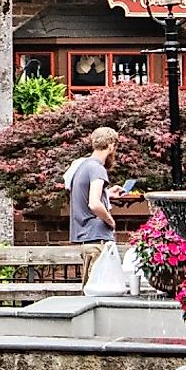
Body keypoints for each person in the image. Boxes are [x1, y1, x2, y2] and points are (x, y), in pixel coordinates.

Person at [66, 125, 131, 296]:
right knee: (98, 296)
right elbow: (94, 204)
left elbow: (86, 195)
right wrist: (110, 221)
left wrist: (108, 193)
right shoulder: (97, 169)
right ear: (110, 146)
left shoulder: (83, 166)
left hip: (87, 239)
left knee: (89, 292)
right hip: (97, 239)